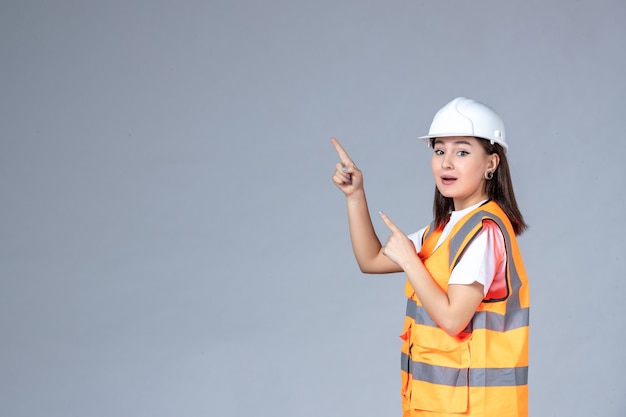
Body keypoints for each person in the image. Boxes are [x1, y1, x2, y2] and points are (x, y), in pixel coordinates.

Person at [331, 97, 530, 417]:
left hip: (476, 409)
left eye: (462, 151)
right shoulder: (443, 230)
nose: (446, 162)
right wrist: (355, 196)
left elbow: (453, 320)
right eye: (439, 150)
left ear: (491, 163)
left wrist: (410, 262)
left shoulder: (484, 232)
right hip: (436, 405)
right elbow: (370, 260)